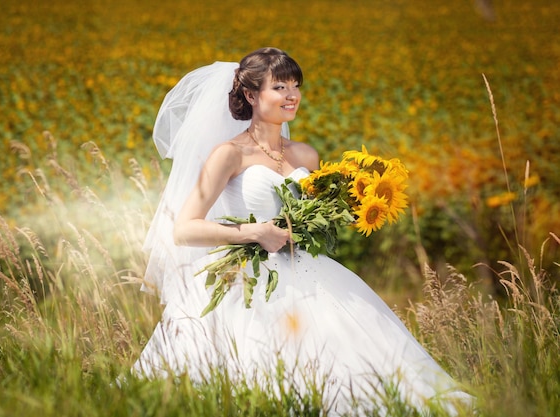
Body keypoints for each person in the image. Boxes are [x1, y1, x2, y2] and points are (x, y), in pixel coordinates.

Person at [132, 47, 473, 416]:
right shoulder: (229, 154)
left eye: (295, 85)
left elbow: (310, 213)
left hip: (309, 270)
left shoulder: (306, 156)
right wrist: (255, 232)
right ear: (251, 95)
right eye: (279, 86)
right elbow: (184, 229)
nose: (291, 95)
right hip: (246, 279)